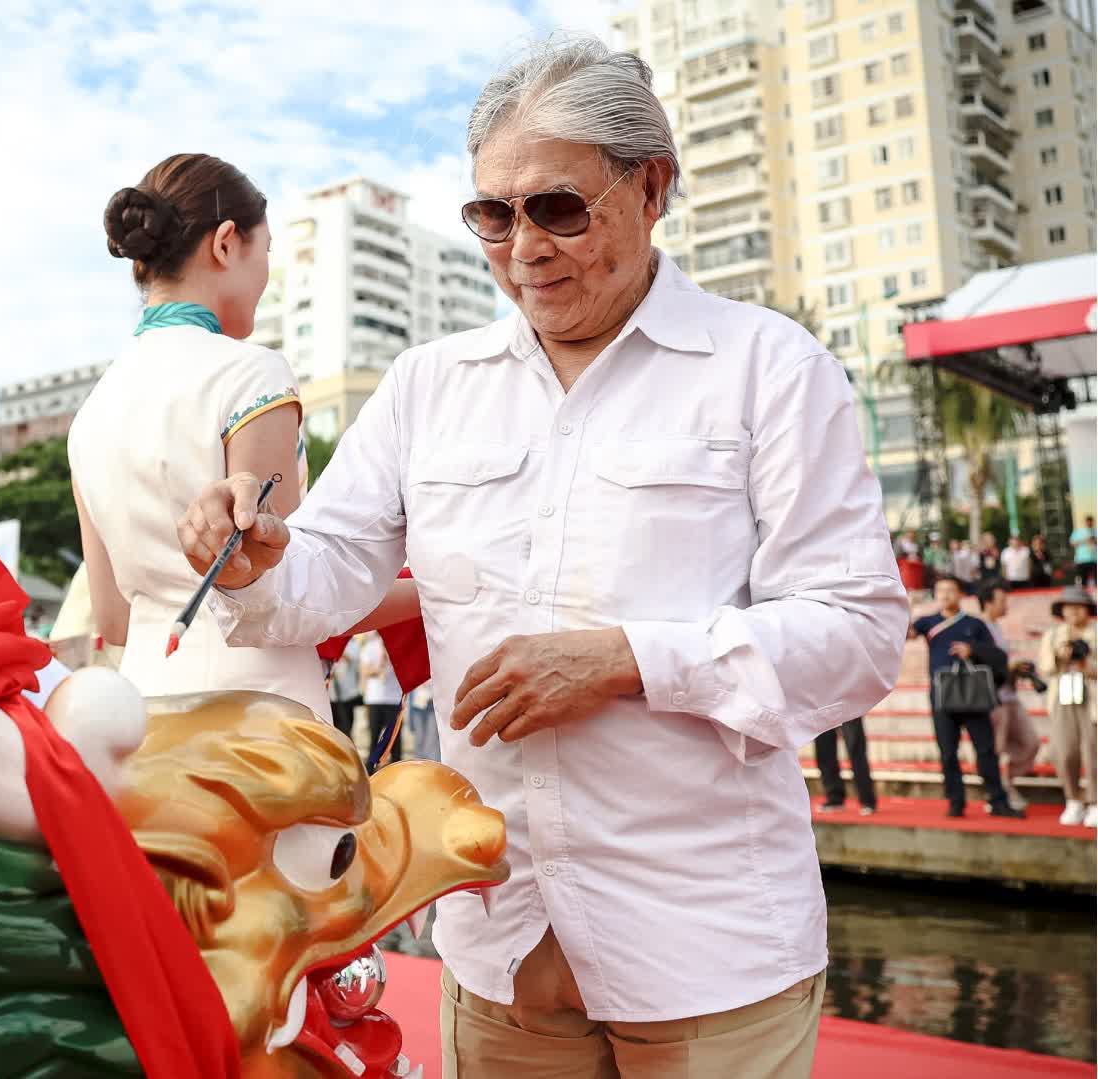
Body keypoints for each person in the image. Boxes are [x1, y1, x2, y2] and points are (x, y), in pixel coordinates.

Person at [176, 36, 906, 1077]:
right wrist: (252, 559)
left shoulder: (770, 370)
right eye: (492, 214)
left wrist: (629, 659)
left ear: (652, 188)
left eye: (558, 208)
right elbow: (327, 560)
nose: (524, 247)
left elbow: (861, 632)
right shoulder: (431, 384)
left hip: (709, 949)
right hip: (499, 942)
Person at [69, 154, 414, 726]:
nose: (266, 277)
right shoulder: (252, 373)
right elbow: (293, 594)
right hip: (258, 716)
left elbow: (111, 619)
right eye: (268, 253)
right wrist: (442, 592)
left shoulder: (91, 411)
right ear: (226, 243)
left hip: (142, 711)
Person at [909, 577, 1022, 819]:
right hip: (942, 693)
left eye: (950, 590)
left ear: (961, 594)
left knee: (985, 749)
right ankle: (955, 802)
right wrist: (905, 606)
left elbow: (998, 656)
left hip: (973, 693)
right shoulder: (927, 622)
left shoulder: (975, 624)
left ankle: (997, 800)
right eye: (940, 591)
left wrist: (973, 650)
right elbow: (906, 635)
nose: (945, 595)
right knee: (948, 752)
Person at [1037, 586, 1096, 827]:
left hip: (1092, 697)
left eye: (1078, 606)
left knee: (1093, 752)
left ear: (1088, 610)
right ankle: (1073, 799)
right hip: (1062, 697)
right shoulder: (1053, 635)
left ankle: (1094, 802)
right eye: (1068, 607)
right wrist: (1062, 654)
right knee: (1065, 751)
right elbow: (1046, 668)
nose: (1073, 611)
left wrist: (1085, 662)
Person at [980, 583, 1041, 810]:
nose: (1005, 604)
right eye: (1001, 600)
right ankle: (998, 792)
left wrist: (1014, 669)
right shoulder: (980, 628)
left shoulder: (996, 627)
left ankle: (1003, 784)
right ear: (988, 603)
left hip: (1010, 694)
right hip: (993, 698)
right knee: (997, 748)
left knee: (1030, 743)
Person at [358, 632, 405, 765]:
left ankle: (398, 771)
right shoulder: (370, 646)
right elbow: (364, 670)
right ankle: (370, 772)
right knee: (374, 738)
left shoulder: (398, 647)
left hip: (394, 699)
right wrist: (379, 666)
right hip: (375, 699)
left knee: (395, 741)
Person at [813, 718, 876, 815]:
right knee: (824, 749)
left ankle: (867, 800)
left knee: (855, 748)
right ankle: (834, 798)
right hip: (823, 706)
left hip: (848, 704)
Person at [327, 638, 363, 740]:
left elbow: (352, 659)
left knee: (346, 728)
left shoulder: (353, 644)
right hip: (332, 695)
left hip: (348, 695)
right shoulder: (330, 642)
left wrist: (337, 651)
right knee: (333, 727)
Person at [1073, 515, 1095, 589]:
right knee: (1083, 580)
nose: (1089, 523)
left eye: (1090, 521)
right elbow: (1073, 543)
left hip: (1095, 559)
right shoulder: (1079, 532)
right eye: (1087, 521)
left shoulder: (1096, 530)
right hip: (1082, 559)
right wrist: (1085, 540)